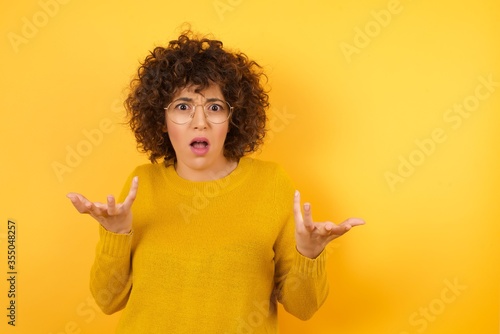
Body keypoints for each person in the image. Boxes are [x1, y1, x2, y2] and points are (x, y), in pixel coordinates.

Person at [67, 30, 365, 334]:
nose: (200, 122)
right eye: (183, 107)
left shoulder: (272, 183)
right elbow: (108, 301)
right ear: (161, 119)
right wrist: (116, 234)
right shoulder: (141, 184)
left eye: (214, 107)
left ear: (232, 118)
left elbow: (303, 308)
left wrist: (309, 253)